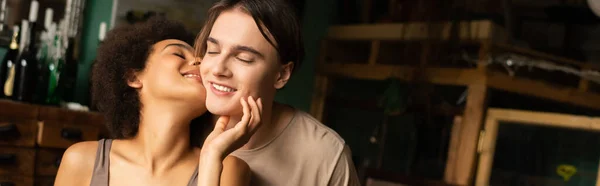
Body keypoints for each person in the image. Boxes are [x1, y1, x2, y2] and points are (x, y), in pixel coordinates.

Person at [54, 17, 262, 186]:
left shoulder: (228, 169)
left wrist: (210, 160)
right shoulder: (81, 160)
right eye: (178, 53)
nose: (199, 61)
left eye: (202, 57)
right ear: (134, 77)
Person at [195, 0, 361, 185]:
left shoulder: (326, 156)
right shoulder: (184, 125)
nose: (218, 69)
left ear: (281, 75)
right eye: (212, 50)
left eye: (244, 58)